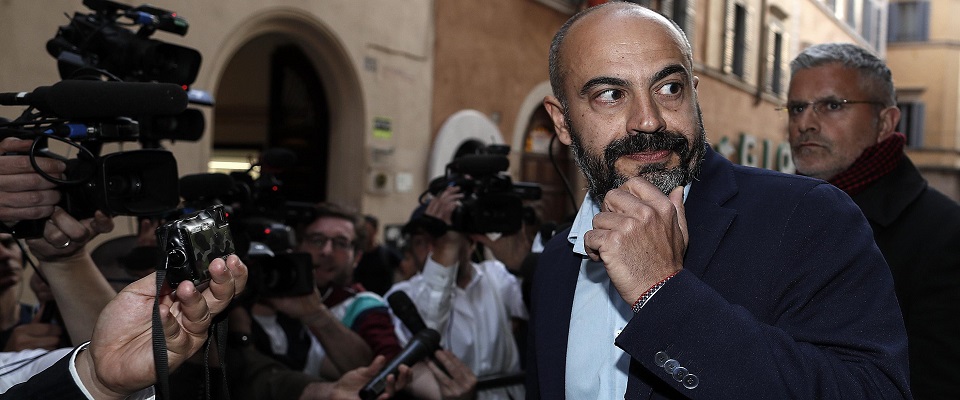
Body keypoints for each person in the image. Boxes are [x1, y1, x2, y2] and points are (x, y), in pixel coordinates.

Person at [528, 3, 910, 399]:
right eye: (610, 94)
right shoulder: (556, 263)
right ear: (561, 122)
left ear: (694, 95)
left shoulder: (810, 216)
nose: (648, 119)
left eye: (669, 88)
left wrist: (661, 292)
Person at [787, 42, 960, 399]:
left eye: (832, 106)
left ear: (885, 122)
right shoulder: (778, 211)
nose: (805, 123)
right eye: (796, 108)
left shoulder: (945, 234)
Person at [387, 191, 528, 400]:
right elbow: (426, 334)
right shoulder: (403, 294)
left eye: (439, 239)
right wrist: (446, 251)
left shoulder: (496, 275)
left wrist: (523, 263)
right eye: (419, 242)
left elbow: (542, 310)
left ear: (471, 243)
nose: (431, 250)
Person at [354, 215, 401, 295]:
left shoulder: (386, 253)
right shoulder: (356, 255)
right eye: (363, 231)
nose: (366, 234)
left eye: (368, 230)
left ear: (375, 231)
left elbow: (407, 269)